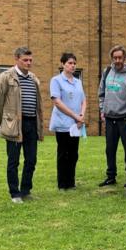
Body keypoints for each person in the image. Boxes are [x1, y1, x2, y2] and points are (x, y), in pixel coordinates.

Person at [0, 47, 44, 204]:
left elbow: (38, 103)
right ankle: (15, 193)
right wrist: (5, 122)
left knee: (31, 159)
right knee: (13, 160)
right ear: (16, 59)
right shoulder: (6, 77)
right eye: (25, 60)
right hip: (14, 124)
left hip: (31, 123)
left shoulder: (33, 78)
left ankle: (25, 190)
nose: (29, 63)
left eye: (30, 60)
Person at [98, 45, 126, 188]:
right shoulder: (107, 72)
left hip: (125, 119)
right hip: (110, 119)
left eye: (120, 57)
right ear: (112, 58)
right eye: (115, 57)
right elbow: (101, 93)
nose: (117, 60)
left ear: (124, 58)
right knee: (110, 150)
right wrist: (102, 109)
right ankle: (111, 176)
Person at [49, 52, 86, 191]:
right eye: (69, 63)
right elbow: (57, 102)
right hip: (63, 123)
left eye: (74, 63)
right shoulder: (56, 80)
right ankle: (62, 183)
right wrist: (75, 116)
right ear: (63, 64)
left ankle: (71, 182)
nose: (72, 66)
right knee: (63, 154)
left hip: (76, 125)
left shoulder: (78, 82)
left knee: (73, 154)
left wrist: (81, 115)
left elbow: (83, 100)